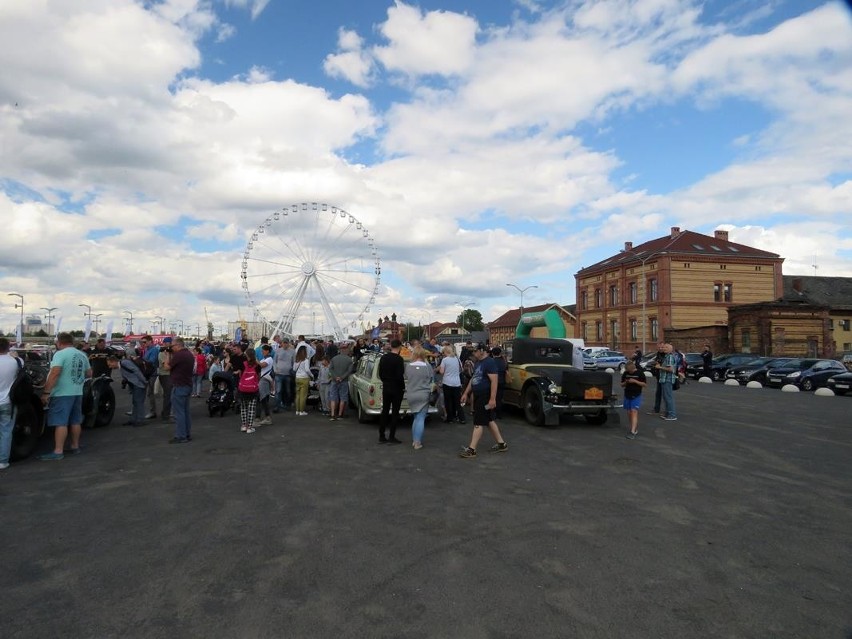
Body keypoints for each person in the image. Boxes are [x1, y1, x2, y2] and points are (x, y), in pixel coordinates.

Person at [38, 332, 92, 460]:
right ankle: (75, 446)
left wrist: (46, 393)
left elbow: (55, 373)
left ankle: (58, 451)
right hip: (77, 392)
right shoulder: (82, 354)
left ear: (59, 342)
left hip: (62, 393)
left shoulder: (60, 354)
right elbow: (89, 373)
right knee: (75, 421)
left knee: (60, 422)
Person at [459, 344, 508, 458]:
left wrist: (492, 399)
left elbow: (494, 382)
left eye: (475, 351)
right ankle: (501, 444)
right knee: (489, 420)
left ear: (482, 351)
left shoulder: (489, 362)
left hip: (485, 397)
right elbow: (473, 378)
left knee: (478, 423)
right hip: (478, 396)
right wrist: (466, 393)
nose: (473, 354)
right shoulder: (478, 362)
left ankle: (472, 449)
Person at [377, 339, 405, 444]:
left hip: (386, 386)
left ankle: (381, 435)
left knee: (385, 410)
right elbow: (400, 376)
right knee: (395, 412)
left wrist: (385, 381)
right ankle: (392, 436)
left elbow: (380, 373)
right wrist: (402, 387)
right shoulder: (399, 359)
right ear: (399, 347)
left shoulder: (383, 358)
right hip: (396, 388)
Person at [167, 338, 195, 443]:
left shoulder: (179, 355)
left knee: (178, 413)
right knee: (185, 411)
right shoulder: (189, 354)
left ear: (178, 345)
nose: (171, 349)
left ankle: (181, 436)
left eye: (172, 346)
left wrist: (166, 355)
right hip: (187, 384)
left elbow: (166, 367)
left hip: (179, 385)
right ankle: (187, 434)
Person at [405, 347, 432, 450]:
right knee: (421, 418)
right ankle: (417, 442)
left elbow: (407, 377)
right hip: (423, 393)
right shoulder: (427, 366)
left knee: (416, 417)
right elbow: (431, 378)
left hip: (411, 393)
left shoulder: (408, 366)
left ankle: (414, 439)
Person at [108, 355, 147, 427]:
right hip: (135, 384)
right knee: (135, 402)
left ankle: (140, 420)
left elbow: (136, 371)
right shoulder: (122, 365)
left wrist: (144, 381)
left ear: (114, 361)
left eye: (110, 364)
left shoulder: (124, 363)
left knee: (138, 402)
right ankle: (134, 419)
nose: (110, 367)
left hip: (138, 384)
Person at [0, 337, 19, 470]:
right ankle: (3, 461)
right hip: (8, 401)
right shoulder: (16, 361)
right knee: (6, 431)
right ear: (8, 347)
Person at [437, 345, 464, 424]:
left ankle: (450, 418)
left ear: (446, 352)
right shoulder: (457, 359)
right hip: (457, 382)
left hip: (447, 382)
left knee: (448, 401)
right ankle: (461, 418)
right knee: (457, 401)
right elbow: (461, 369)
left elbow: (441, 372)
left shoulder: (445, 360)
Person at [238, 348, 261, 433]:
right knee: (251, 408)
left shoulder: (243, 364)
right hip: (253, 389)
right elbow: (258, 376)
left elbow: (240, 375)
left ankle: (244, 425)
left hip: (243, 388)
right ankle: (250, 427)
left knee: (243, 407)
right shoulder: (257, 365)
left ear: (246, 355)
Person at [621, 361, 646, 439]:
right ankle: (633, 426)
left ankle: (632, 431)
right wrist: (626, 382)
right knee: (629, 412)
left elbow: (644, 384)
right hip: (627, 394)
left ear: (633, 368)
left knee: (634, 411)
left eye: (630, 371)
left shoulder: (640, 373)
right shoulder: (625, 373)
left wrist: (635, 381)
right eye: (628, 371)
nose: (629, 372)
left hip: (636, 394)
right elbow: (621, 384)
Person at [328, 346, 353, 421]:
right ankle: (340, 414)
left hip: (334, 380)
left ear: (340, 350)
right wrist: (342, 377)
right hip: (344, 380)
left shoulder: (334, 358)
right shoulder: (349, 360)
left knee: (333, 397)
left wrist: (336, 377)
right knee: (343, 397)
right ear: (345, 350)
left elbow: (330, 369)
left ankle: (332, 414)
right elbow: (349, 371)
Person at [655, 343, 678, 421]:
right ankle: (668, 413)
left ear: (670, 349)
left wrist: (659, 367)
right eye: (663, 347)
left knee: (668, 398)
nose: (663, 349)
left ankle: (672, 414)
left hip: (667, 380)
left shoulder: (670, 357)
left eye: (665, 347)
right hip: (664, 379)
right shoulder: (666, 356)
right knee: (666, 397)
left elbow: (671, 369)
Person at [272, 338, 294, 412]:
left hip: (288, 374)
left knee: (288, 390)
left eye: (286, 343)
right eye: (284, 343)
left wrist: (292, 370)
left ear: (288, 343)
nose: (285, 344)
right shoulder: (278, 351)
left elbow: (294, 362)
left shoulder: (292, 352)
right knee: (278, 391)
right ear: (282, 343)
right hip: (279, 374)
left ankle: (287, 405)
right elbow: (274, 361)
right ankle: (277, 406)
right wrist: (275, 370)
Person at [141, 335, 159, 419]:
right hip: (146, 373)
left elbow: (152, 361)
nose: (143, 344)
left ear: (150, 341)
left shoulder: (154, 350)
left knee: (150, 393)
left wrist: (142, 361)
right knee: (146, 393)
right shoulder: (146, 349)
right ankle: (150, 411)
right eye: (142, 342)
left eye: (144, 342)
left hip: (152, 374)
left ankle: (153, 412)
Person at [647, 341, 666, 416]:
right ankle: (656, 409)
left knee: (666, 395)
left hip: (664, 377)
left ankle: (667, 410)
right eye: (659, 347)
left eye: (662, 347)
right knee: (658, 393)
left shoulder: (666, 355)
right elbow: (657, 362)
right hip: (659, 376)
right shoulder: (658, 354)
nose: (660, 349)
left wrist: (658, 364)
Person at [292, 345, 313, 416]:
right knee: (303, 396)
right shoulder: (306, 360)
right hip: (304, 378)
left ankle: (297, 410)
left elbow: (294, 369)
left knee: (297, 395)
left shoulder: (296, 360)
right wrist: (312, 375)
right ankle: (302, 411)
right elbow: (307, 370)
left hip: (297, 378)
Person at [257, 344, 274, 425]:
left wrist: (255, 360)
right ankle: (265, 417)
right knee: (263, 400)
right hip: (263, 379)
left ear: (267, 351)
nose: (262, 352)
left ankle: (264, 417)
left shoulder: (269, 359)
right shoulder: (265, 358)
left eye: (263, 350)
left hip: (265, 380)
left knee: (262, 399)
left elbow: (262, 365)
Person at [157, 337, 173, 422]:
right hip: (165, 375)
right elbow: (166, 367)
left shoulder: (171, 353)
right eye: (169, 343)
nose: (171, 344)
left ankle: (166, 413)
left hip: (169, 375)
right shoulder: (162, 353)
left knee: (169, 396)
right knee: (168, 396)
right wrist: (167, 355)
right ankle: (166, 416)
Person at [490, 346, 508, 419]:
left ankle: (492, 413)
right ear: (500, 353)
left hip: (493, 382)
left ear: (492, 353)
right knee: (499, 398)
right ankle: (499, 414)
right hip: (502, 382)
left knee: (492, 398)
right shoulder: (503, 361)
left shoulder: (491, 361)